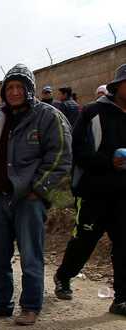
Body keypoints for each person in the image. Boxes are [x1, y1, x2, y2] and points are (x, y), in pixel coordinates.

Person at [0, 64, 72, 326]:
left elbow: (60, 156)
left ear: (30, 90)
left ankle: (30, 306)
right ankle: (1, 303)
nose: (14, 92)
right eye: (10, 88)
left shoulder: (48, 116)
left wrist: (38, 191)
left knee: (30, 255)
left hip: (28, 200)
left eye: (20, 87)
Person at [54, 64, 126, 316]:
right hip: (93, 191)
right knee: (85, 240)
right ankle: (64, 277)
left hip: (122, 194)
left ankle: (121, 299)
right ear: (117, 87)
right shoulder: (94, 112)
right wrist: (110, 162)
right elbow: (77, 151)